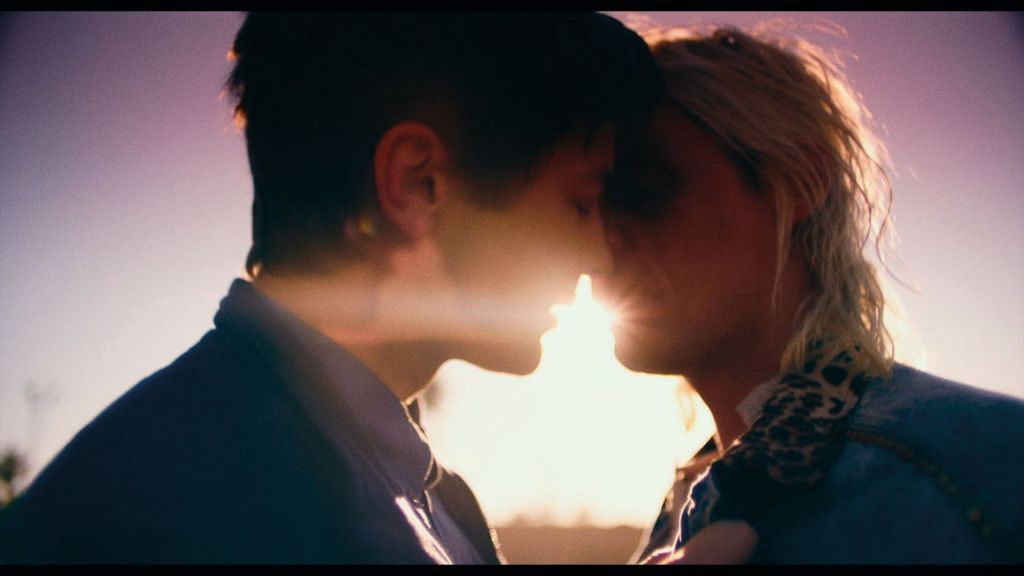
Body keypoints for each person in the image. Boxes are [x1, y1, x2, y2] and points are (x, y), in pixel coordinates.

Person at [0, 12, 661, 563]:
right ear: (417, 184)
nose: (599, 254)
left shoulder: (408, 490)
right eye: (580, 203)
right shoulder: (171, 518)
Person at [595, 26, 1024, 563]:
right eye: (588, 204)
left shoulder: (985, 472)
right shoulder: (686, 510)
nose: (602, 239)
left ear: (800, 183)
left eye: (643, 185)